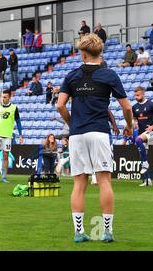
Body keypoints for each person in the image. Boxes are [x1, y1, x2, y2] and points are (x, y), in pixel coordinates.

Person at [56, 33, 133, 243]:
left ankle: (79, 233)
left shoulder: (71, 76)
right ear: (101, 53)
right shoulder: (109, 75)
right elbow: (126, 106)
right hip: (99, 131)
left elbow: (60, 105)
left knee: (79, 184)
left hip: (77, 134)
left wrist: (72, 123)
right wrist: (128, 125)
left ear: (82, 55)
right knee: (104, 180)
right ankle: (107, 232)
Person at [0, 89, 24, 183]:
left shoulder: (14, 108)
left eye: (5, 97)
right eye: (2, 96)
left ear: (9, 97)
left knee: (5, 155)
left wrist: (20, 135)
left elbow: (18, 122)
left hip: (7, 135)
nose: (3, 98)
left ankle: (4, 177)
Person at [131, 87, 153, 187]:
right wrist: (134, 123)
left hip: (150, 132)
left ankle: (145, 164)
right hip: (141, 132)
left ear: (143, 94)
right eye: (135, 95)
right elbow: (134, 119)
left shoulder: (151, 105)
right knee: (142, 155)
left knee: (138, 140)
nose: (136, 97)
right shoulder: (134, 107)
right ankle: (147, 180)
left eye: (138, 95)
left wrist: (152, 127)